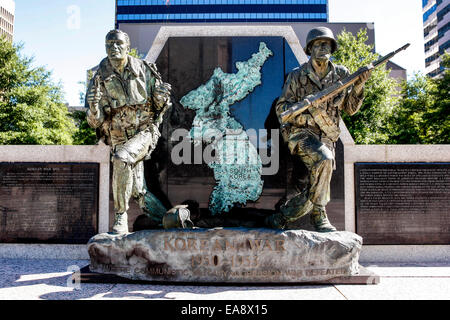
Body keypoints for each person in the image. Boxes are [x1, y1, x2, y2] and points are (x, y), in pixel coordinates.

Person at [266, 27, 371, 232]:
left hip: (327, 135)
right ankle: (319, 213)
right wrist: (307, 112)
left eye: (327, 44)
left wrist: (359, 86)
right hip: (301, 135)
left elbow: (350, 109)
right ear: (309, 49)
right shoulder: (297, 76)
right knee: (324, 159)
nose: (324, 47)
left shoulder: (342, 74)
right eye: (318, 44)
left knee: (320, 172)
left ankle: (285, 215)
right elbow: (282, 109)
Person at [86, 29, 172, 234]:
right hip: (117, 136)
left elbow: (161, 105)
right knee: (138, 191)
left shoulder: (143, 69)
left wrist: (160, 97)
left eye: (118, 43)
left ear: (127, 45)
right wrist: (93, 107)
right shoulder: (98, 77)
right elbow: (94, 122)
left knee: (121, 159)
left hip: (143, 132)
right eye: (109, 44)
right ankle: (170, 220)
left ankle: (120, 217)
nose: (113, 48)